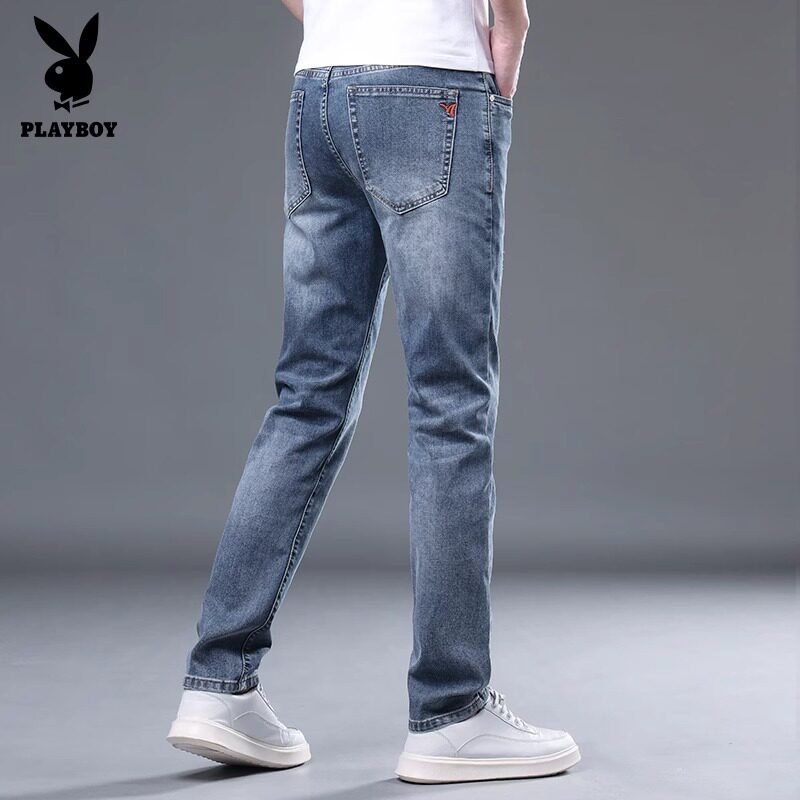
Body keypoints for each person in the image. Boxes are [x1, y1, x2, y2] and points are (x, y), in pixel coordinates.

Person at [167, 0, 581, 784]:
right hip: (432, 79)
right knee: (450, 404)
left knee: (307, 397)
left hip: (319, 91)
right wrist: (511, 25)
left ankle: (217, 686)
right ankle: (452, 714)